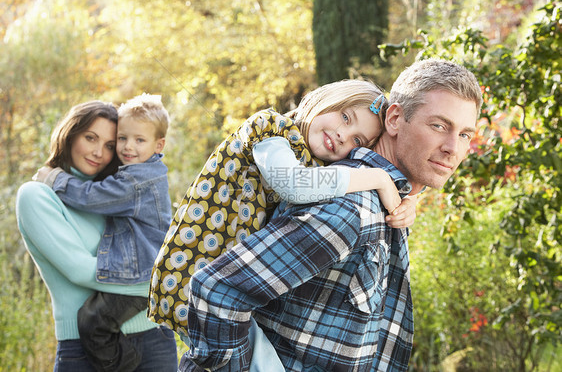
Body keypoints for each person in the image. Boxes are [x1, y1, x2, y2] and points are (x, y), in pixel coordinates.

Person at [177, 58, 483, 371]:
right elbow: (217, 289)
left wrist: (412, 196)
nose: (453, 148)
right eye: (439, 126)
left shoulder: (388, 202)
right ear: (394, 119)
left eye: (464, 135)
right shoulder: (351, 207)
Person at [148, 79, 417, 337]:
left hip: (233, 287)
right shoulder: (271, 133)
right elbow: (293, 184)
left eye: (357, 141)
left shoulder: (315, 163)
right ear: (325, 100)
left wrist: (410, 200)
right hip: (196, 274)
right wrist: (379, 179)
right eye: (345, 117)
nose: (343, 135)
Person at [16, 100, 178, 372]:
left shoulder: (115, 191)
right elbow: (78, 270)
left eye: (109, 145)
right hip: (84, 349)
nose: (98, 152)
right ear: (69, 134)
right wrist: (153, 284)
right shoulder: (37, 195)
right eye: (90, 138)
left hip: (154, 338)